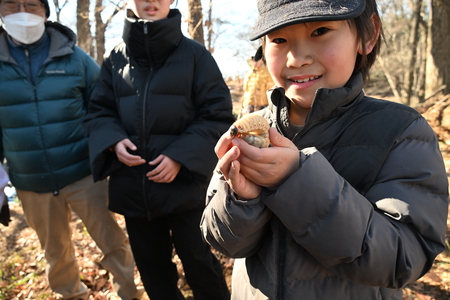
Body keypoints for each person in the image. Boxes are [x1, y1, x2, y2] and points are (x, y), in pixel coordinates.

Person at [200, 0, 449, 299]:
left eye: (320, 30)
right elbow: (224, 242)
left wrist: (294, 180)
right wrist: (242, 199)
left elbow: (402, 258)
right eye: (279, 39)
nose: (296, 58)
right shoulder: (251, 130)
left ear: (368, 35)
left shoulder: (401, 132)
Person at [83, 0, 234, 299]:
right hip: (133, 187)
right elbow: (98, 112)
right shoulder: (115, 57)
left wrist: (180, 156)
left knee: (199, 264)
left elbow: (218, 115)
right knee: (152, 269)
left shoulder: (195, 55)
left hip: (186, 189)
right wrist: (113, 140)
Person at [0, 1, 144, 299]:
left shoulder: (74, 57)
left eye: (30, 5)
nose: (22, 12)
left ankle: (128, 294)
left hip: (83, 173)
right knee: (55, 251)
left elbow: (104, 106)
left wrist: (111, 144)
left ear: (45, 12)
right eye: (11, 4)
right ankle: (71, 295)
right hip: (31, 181)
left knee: (113, 242)